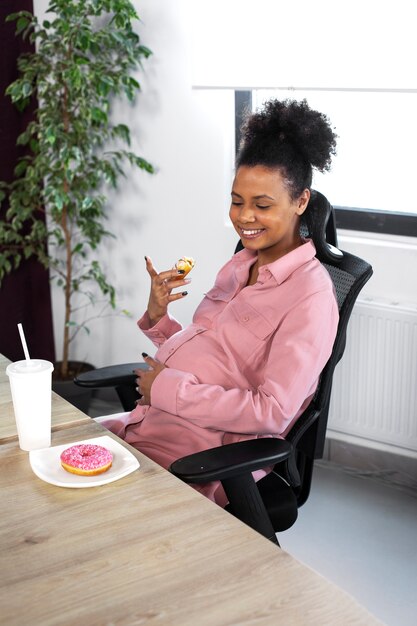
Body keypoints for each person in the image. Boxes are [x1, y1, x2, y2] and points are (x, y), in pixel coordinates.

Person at [100, 98, 339, 506]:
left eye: (262, 205)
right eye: (236, 201)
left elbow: (272, 412)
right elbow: (216, 358)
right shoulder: (239, 265)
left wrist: (166, 389)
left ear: (301, 202)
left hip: (197, 453)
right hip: (147, 422)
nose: (244, 217)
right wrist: (160, 320)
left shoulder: (311, 298)